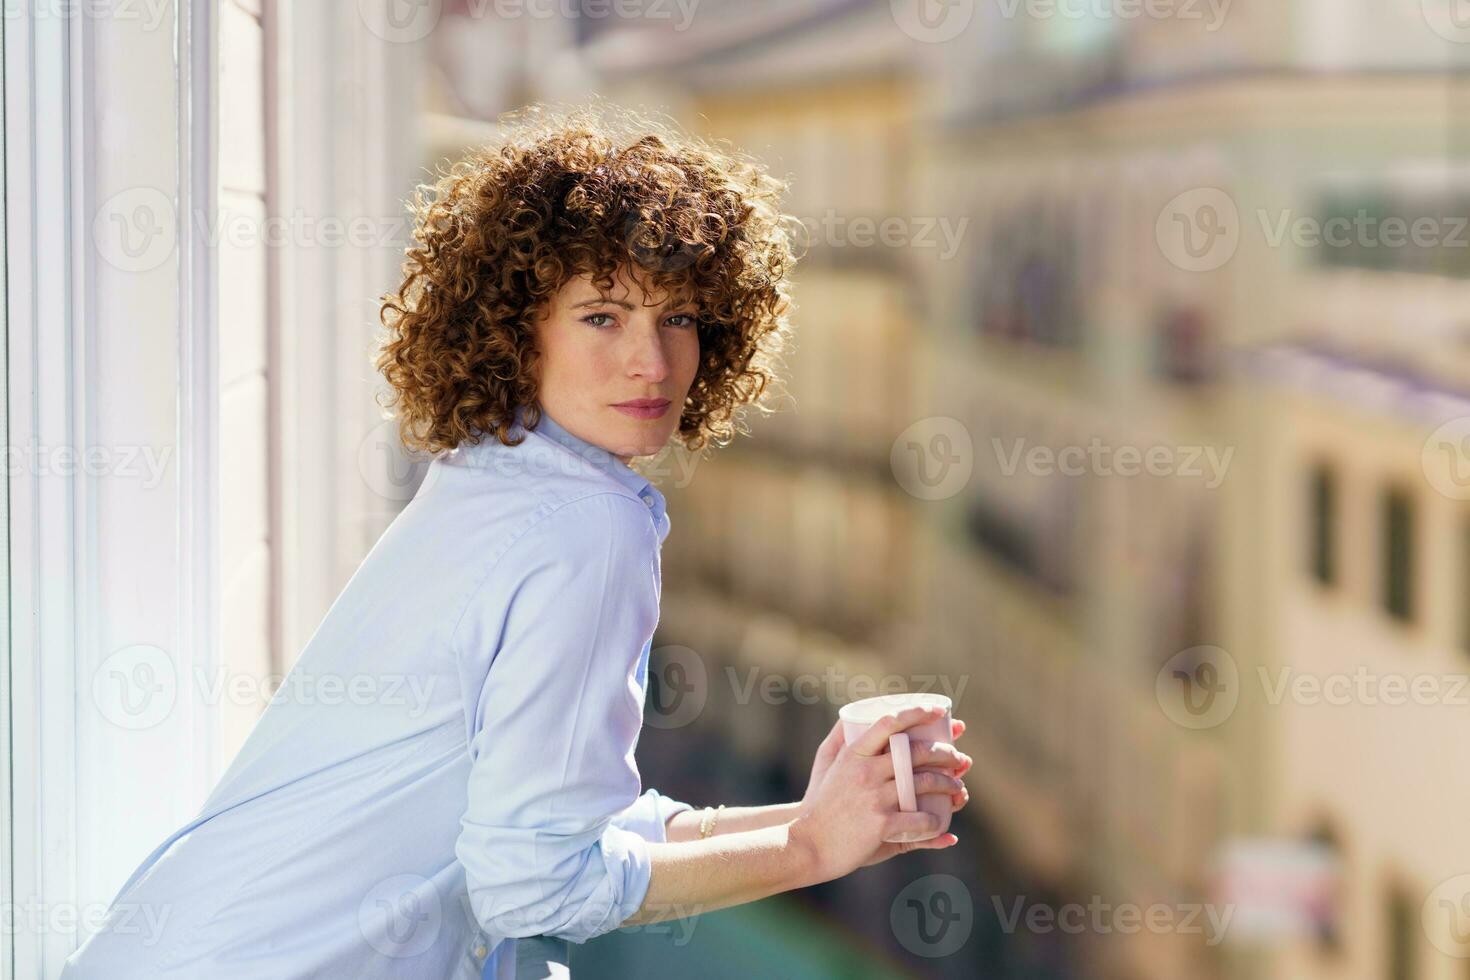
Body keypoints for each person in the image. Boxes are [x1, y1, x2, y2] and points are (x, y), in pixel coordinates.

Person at [61, 102, 971, 979]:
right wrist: (811, 847)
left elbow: (566, 829)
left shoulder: (495, 478)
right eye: (603, 316)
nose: (652, 363)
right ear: (516, 326)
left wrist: (819, 816)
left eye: (680, 317)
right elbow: (535, 886)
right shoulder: (586, 527)